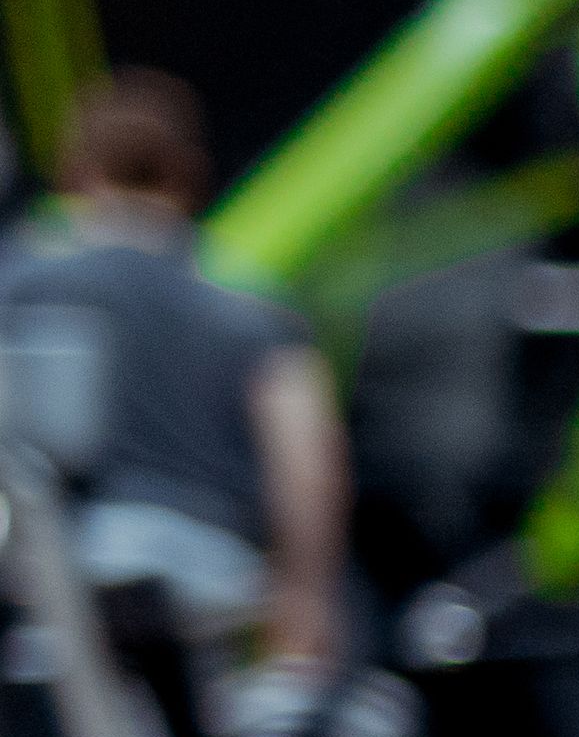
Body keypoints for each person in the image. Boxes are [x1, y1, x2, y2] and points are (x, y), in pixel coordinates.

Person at [0, 70, 349, 673]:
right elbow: (304, 455)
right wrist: (307, 594)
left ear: (76, 172)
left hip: (65, 568)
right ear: (187, 174)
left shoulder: (24, 284)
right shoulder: (246, 301)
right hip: (210, 574)